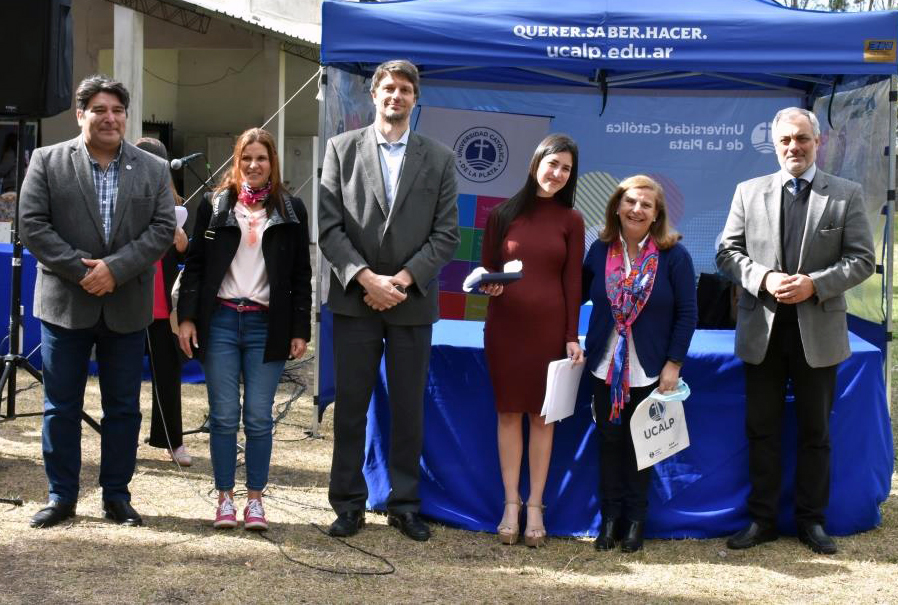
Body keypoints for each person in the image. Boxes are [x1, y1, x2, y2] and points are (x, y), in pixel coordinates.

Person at [19, 74, 176, 528]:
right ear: (80, 114)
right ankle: (61, 496)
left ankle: (116, 496)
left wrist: (115, 269)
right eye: (100, 110)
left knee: (123, 408)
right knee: (60, 406)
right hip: (66, 304)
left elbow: (163, 229)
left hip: (126, 306)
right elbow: (32, 225)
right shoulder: (47, 161)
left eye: (118, 111)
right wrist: (83, 271)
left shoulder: (152, 168)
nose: (110, 118)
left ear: (126, 116)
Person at [717, 107, 874, 555]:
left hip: (818, 333)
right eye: (785, 139)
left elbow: (862, 259)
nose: (794, 147)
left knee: (815, 433)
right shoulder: (748, 192)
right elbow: (727, 253)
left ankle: (812, 522)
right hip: (761, 332)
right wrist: (763, 278)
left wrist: (815, 284)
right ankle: (762, 520)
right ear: (774, 144)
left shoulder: (845, 194)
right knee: (762, 430)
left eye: (802, 138)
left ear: (817, 142)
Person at [318, 59, 459, 542]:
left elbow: (446, 235)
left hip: (411, 302)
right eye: (388, 88)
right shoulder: (340, 150)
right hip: (355, 301)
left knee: (408, 408)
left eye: (405, 89)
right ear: (374, 94)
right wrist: (366, 280)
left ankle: (404, 503)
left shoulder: (439, 158)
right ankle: (347, 504)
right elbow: (329, 228)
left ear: (415, 99)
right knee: (351, 407)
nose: (396, 96)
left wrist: (399, 281)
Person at [177, 127, 311, 531]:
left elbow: (301, 274)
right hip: (219, 321)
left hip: (266, 324)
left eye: (262, 158)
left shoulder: (291, 209)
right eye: (246, 158)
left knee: (257, 416)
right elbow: (195, 265)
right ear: (237, 162)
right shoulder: (215, 204)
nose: (254, 165)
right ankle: (224, 498)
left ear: (273, 163)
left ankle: (255, 501)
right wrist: (187, 318)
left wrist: (300, 328)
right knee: (222, 415)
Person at [479, 134, 584, 548]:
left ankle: (536, 505)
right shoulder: (501, 214)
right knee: (508, 414)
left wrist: (571, 336)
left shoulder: (572, 220)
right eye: (552, 163)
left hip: (549, 333)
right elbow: (487, 270)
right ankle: (511, 504)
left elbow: (573, 283)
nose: (557, 173)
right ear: (536, 163)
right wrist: (489, 285)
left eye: (566, 168)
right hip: (505, 329)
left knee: (543, 418)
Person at [582, 175, 697, 553]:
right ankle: (609, 520)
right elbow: (575, 294)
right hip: (605, 368)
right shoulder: (599, 251)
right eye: (630, 202)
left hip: (650, 370)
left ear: (657, 214)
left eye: (646, 205)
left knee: (641, 447)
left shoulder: (674, 255)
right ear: (617, 207)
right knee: (609, 443)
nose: (637, 209)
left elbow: (687, 314)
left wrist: (674, 363)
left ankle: (635, 521)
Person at [134, 137, 191, 467]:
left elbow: (189, 257)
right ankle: (123, 438)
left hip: (162, 305)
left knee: (168, 376)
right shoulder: (125, 198)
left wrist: (183, 245)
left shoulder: (175, 205)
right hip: (130, 302)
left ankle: (172, 440)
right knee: (124, 378)